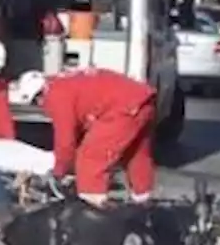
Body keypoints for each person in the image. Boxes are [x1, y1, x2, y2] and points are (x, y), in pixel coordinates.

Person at [15, 68, 156, 208]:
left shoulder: (55, 96)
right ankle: (143, 203)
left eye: (36, 101)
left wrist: (60, 170)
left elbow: (65, 141)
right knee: (136, 153)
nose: (40, 105)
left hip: (123, 107)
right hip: (140, 99)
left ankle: (92, 209)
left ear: (39, 94)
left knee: (90, 158)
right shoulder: (62, 83)